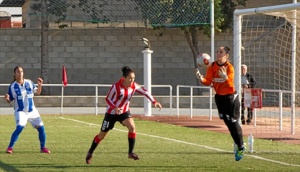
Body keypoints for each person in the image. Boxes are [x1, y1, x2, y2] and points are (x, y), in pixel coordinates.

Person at [85, 66, 162, 164]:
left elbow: (145, 92)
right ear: (124, 77)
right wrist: (115, 107)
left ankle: (130, 153)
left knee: (132, 127)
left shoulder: (134, 86)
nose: (132, 80)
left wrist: (154, 101)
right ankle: (90, 152)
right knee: (102, 135)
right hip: (111, 113)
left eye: (133, 78)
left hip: (124, 112)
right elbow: (107, 99)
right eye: (130, 78)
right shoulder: (116, 87)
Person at [195, 46, 245, 161]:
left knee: (233, 122)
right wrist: (201, 79)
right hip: (219, 98)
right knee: (227, 123)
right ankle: (239, 145)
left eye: (221, 52)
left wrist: (226, 77)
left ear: (226, 56)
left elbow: (230, 84)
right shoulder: (212, 66)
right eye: (217, 52)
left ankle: (241, 146)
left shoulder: (229, 67)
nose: (218, 54)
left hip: (230, 97)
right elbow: (208, 82)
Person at [4, 66, 50, 154]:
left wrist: (40, 85)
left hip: (32, 110)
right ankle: (10, 147)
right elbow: (9, 100)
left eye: (21, 71)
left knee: (41, 128)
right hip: (20, 111)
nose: (20, 73)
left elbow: (38, 93)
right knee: (20, 127)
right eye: (18, 72)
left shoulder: (29, 82)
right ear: (15, 74)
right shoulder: (12, 86)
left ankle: (43, 148)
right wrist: (7, 98)